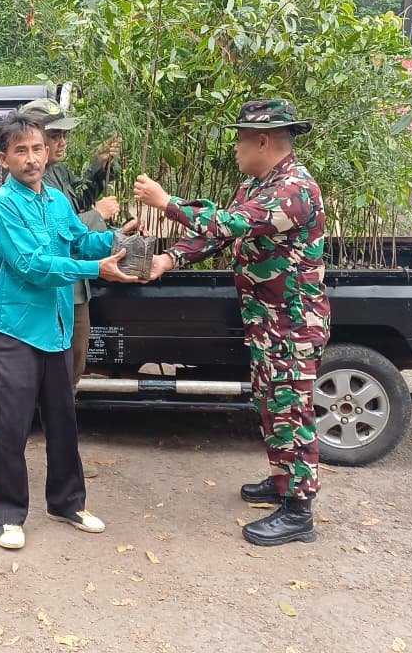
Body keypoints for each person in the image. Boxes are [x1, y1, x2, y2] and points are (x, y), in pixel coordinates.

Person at [134, 99, 330, 547]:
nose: (236, 148)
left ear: (263, 141)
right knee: (270, 404)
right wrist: (170, 257)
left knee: (290, 410)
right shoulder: (257, 184)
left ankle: (299, 511)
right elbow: (219, 234)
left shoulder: (294, 190)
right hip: (267, 322)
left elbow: (231, 222)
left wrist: (167, 203)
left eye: (241, 138)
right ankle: (282, 482)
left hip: (292, 325)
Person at [0, 111, 139, 550]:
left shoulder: (56, 201)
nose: (31, 159)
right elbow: (32, 266)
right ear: (4, 160)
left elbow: (77, 240)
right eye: (21, 151)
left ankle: (67, 502)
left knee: (63, 421)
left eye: (36, 149)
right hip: (14, 330)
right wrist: (96, 268)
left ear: (46, 153)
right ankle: (9, 513)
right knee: (10, 426)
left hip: (57, 328)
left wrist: (115, 240)